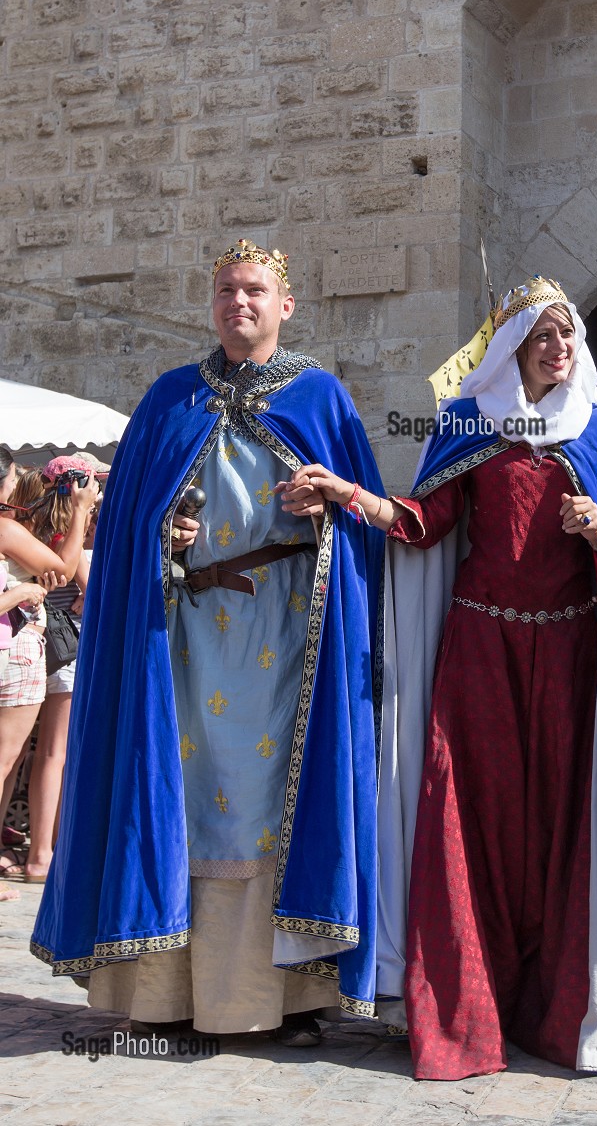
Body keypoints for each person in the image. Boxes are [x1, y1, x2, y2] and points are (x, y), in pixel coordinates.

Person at [281, 277, 597, 1081]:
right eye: (542, 334)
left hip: (571, 657)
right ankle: (468, 1011)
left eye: (567, 333)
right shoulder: (469, 422)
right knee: (469, 819)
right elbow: (424, 522)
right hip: (479, 653)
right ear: (512, 347)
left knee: (565, 826)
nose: (557, 346)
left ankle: (560, 1009)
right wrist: (347, 494)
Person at [32, 239, 385, 1043]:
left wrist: (327, 510)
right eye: (226, 290)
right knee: (182, 799)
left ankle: (284, 1001)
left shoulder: (320, 398)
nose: (239, 303)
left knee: (270, 802)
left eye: (254, 291)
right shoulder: (170, 399)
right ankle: (171, 999)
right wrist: (165, 533)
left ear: (284, 305)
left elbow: (365, 527)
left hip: (287, 639)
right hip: (181, 640)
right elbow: (125, 524)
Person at [1, 464, 97, 884]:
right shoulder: (16, 530)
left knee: (14, 757)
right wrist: (81, 513)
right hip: (34, 648)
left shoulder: (20, 527)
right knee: (37, 755)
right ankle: (41, 854)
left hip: (31, 648)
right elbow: (69, 573)